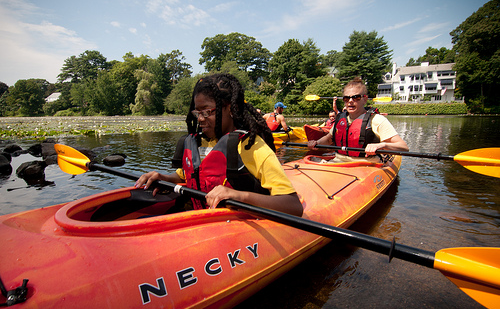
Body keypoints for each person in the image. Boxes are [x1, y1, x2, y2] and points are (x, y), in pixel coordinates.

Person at [135, 73, 303, 217]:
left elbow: (293, 206)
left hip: (238, 227)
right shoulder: (201, 142)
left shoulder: (252, 147)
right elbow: (189, 174)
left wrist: (238, 196)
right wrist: (164, 178)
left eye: (207, 112)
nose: (200, 119)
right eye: (197, 112)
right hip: (201, 220)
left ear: (230, 108)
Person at [307, 77, 408, 163]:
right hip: (338, 162)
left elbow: (404, 147)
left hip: (367, 165)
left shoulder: (377, 120)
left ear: (364, 99)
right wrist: (316, 143)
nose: (350, 101)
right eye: (346, 98)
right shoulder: (340, 119)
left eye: (356, 97)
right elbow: (329, 139)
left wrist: (382, 145)